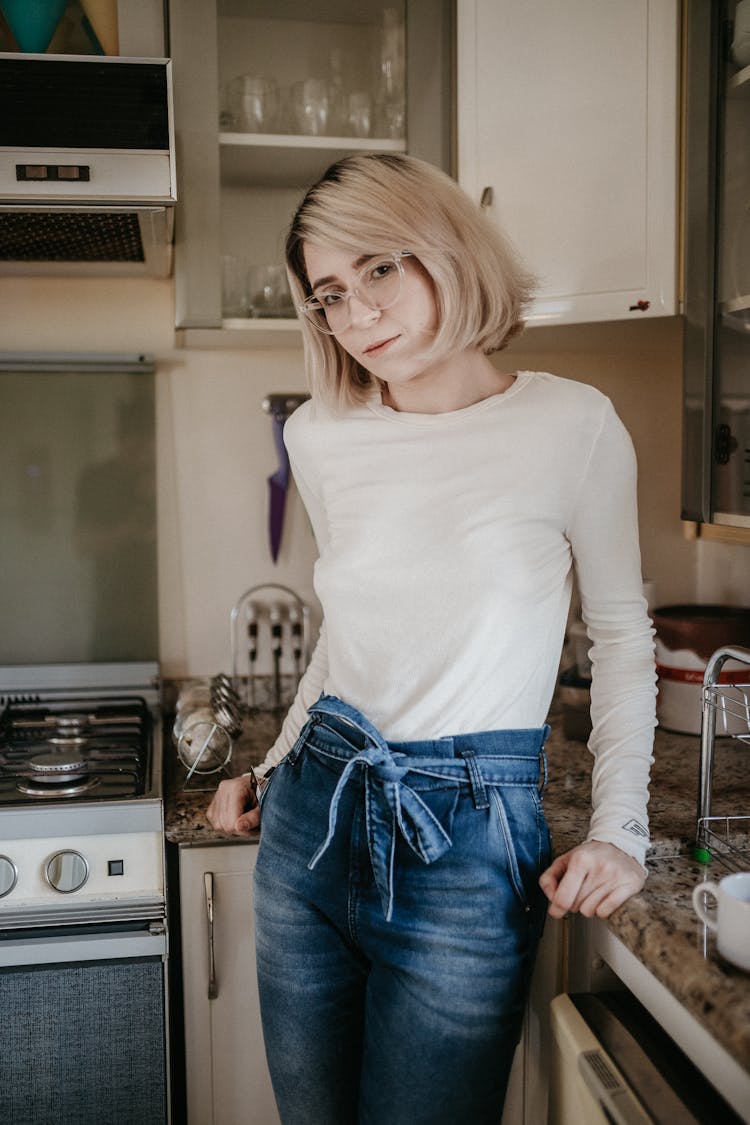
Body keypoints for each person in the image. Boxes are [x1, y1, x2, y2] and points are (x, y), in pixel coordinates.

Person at [207, 152, 656, 1124]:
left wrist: (623, 832)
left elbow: (622, 637)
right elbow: (348, 634)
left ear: (450, 250)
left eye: (380, 268)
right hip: (309, 824)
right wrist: (276, 761)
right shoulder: (322, 436)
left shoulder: (572, 425)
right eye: (330, 292)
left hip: (466, 848)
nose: (358, 312)